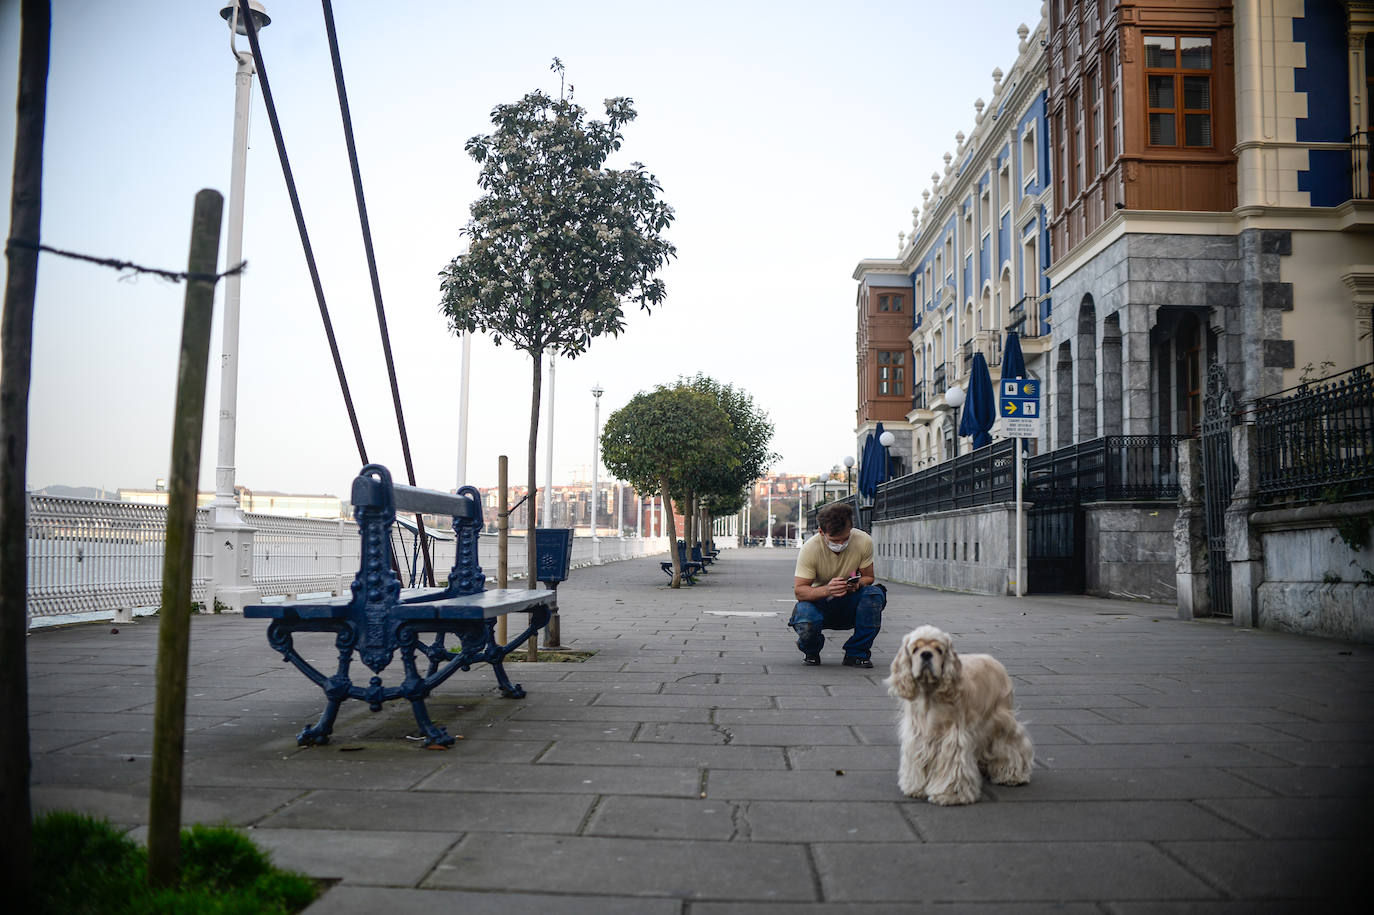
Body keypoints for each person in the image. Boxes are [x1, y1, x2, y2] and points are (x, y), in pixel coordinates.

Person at [789, 502, 885, 668]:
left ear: (851, 529)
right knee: (805, 614)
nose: (840, 544)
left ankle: (857, 653)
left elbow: (869, 577)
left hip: (850, 601)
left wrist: (857, 584)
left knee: (873, 594)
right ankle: (811, 649)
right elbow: (800, 592)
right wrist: (827, 589)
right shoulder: (810, 548)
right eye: (834, 540)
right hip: (821, 603)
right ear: (821, 532)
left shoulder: (863, 541)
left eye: (845, 539)